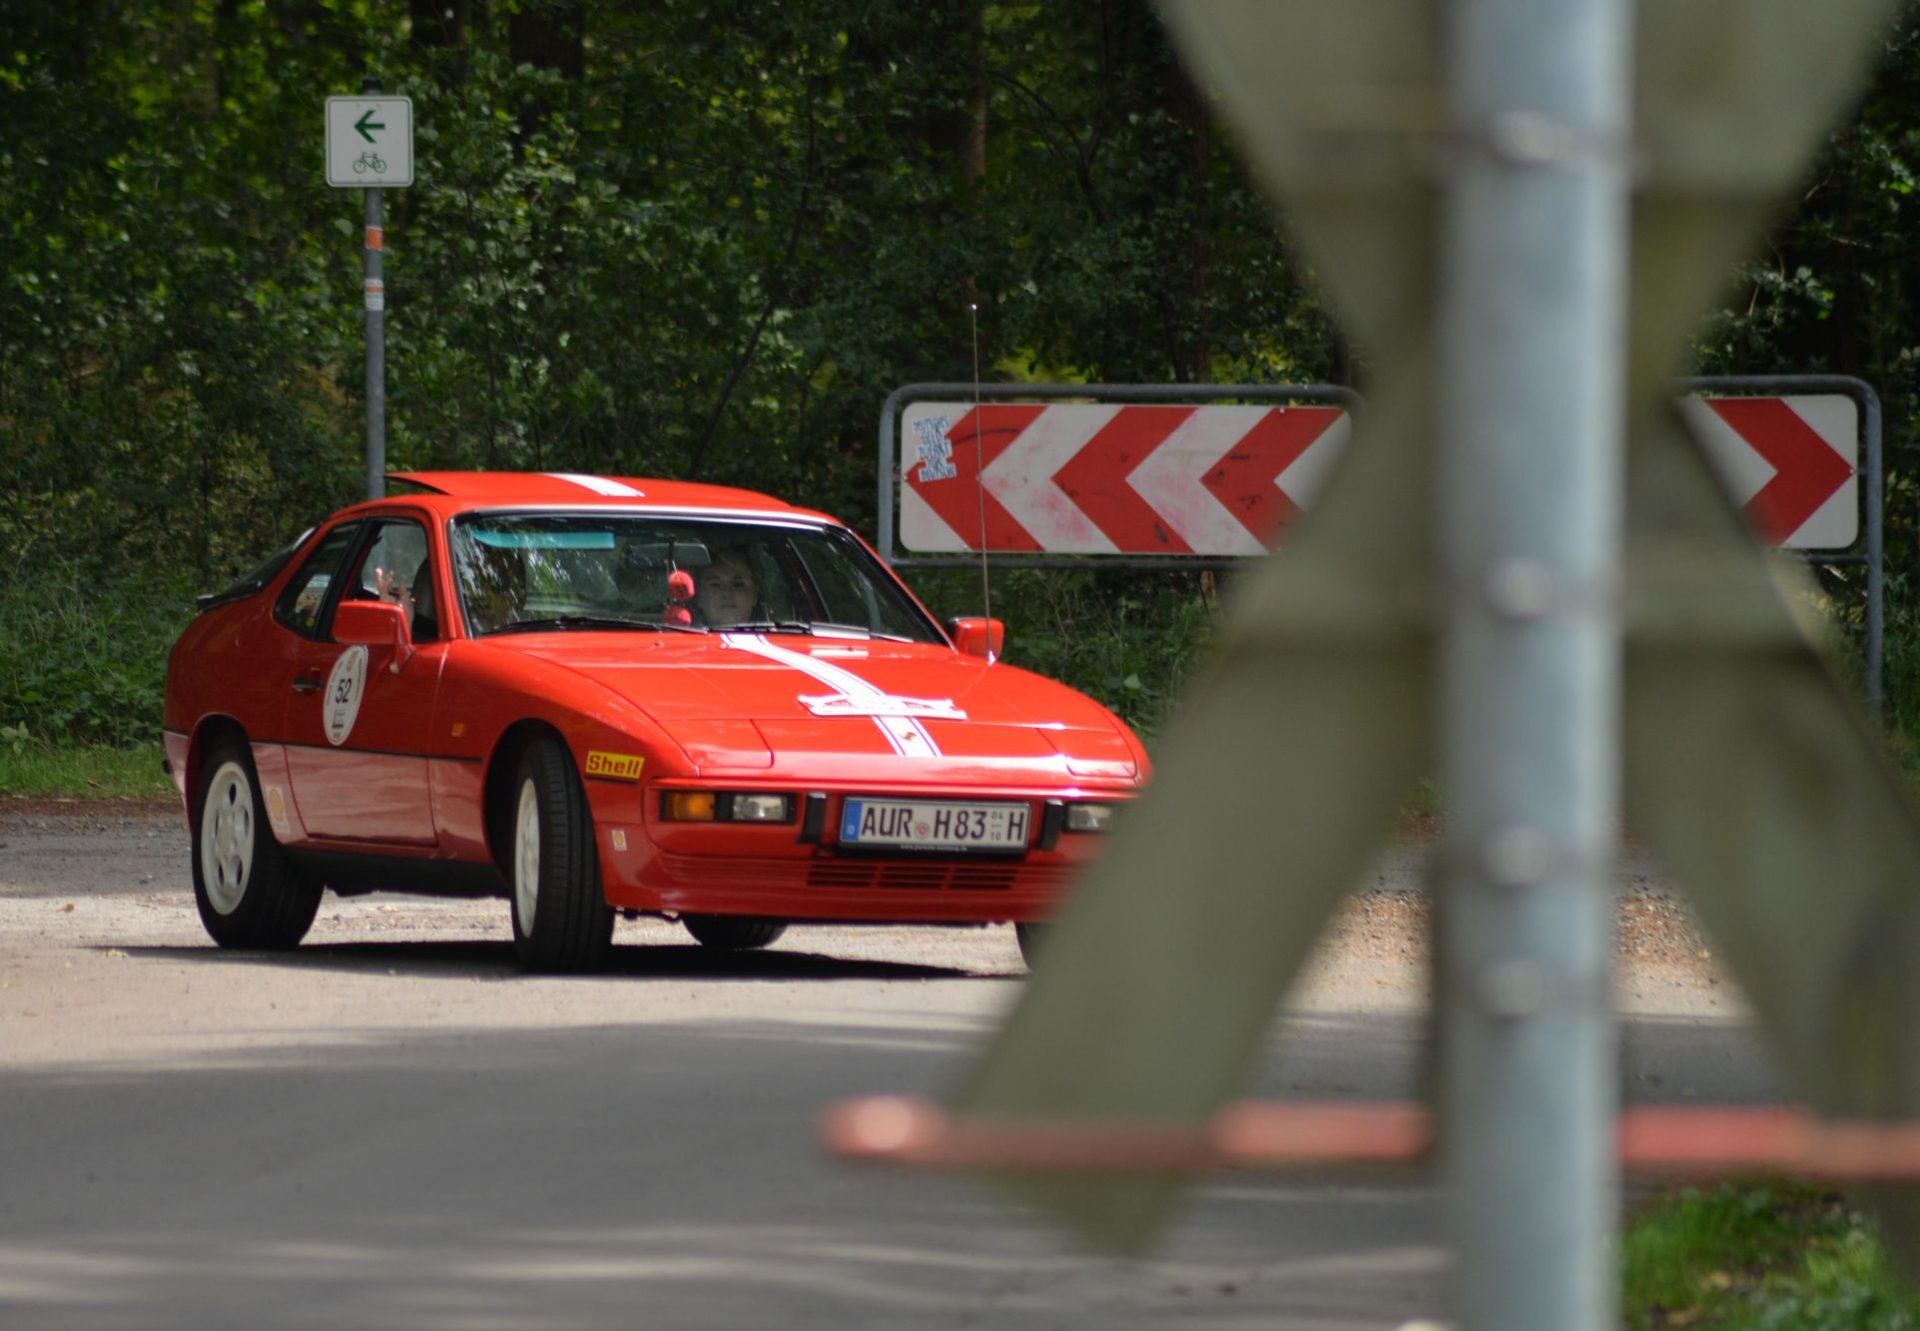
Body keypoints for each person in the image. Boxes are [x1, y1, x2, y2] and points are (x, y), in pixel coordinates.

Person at [692, 549, 762, 627]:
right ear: (698, 596)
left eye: (738, 584)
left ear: (754, 595)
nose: (727, 594)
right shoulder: (682, 634)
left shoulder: (773, 634)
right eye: (715, 585)